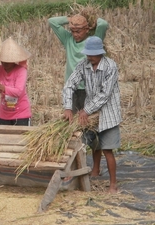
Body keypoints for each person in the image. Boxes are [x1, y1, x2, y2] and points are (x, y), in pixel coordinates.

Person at [62, 36, 122, 193]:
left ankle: (113, 184)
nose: (89, 57)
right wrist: (68, 107)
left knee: (107, 149)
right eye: (88, 54)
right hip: (89, 114)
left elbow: (105, 94)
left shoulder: (110, 66)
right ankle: (93, 170)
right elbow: (69, 85)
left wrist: (86, 110)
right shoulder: (84, 65)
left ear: (101, 53)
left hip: (108, 113)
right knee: (88, 144)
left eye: (92, 54)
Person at [48, 12, 109, 114]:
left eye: (79, 31)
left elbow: (103, 24)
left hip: (88, 87)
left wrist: (91, 19)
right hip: (71, 87)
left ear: (87, 29)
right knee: (72, 117)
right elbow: (52, 21)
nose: (75, 34)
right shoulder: (68, 40)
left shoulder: (93, 42)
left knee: (88, 119)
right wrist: (71, 18)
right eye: (73, 31)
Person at [0, 37, 32, 126]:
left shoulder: (21, 70)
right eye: (3, 61)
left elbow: (18, 92)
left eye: (7, 62)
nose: (4, 64)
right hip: (4, 114)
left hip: (20, 114)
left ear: (13, 60)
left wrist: (1, 87)